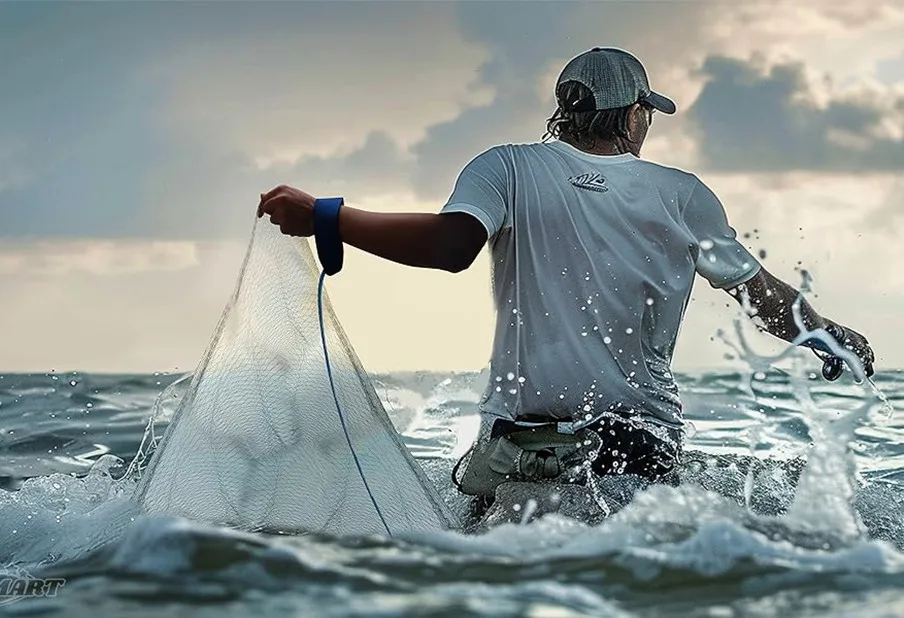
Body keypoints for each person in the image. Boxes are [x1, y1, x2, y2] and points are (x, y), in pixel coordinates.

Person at [257, 47, 876, 520]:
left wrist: (326, 216)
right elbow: (759, 294)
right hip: (635, 447)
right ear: (636, 115)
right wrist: (825, 334)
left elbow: (450, 248)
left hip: (515, 446)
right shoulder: (683, 194)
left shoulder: (507, 166)